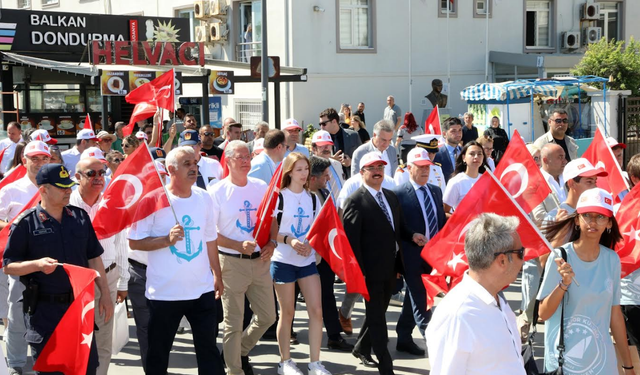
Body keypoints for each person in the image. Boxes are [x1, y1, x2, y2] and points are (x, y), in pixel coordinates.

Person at [3, 163, 114, 374]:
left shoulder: (79, 218)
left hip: (79, 310)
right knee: (51, 371)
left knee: (85, 369)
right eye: (62, 187)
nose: (68, 191)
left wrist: (105, 295)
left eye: (69, 186)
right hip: (45, 314)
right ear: (43, 189)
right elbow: (9, 266)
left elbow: (94, 258)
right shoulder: (26, 223)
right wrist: (36, 265)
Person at [128, 146, 224, 374]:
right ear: (170, 169)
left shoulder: (203, 197)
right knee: (158, 354)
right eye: (187, 164)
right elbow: (134, 242)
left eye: (195, 163)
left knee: (209, 352)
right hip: (165, 294)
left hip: (201, 291)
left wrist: (217, 274)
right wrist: (166, 240)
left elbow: (210, 239)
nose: (194, 168)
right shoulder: (152, 200)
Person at [342, 152, 426, 375]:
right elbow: (351, 244)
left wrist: (412, 235)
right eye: (372, 167)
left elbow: (398, 227)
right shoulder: (355, 201)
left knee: (377, 312)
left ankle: (361, 347)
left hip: (392, 269)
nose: (378, 171)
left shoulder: (390, 197)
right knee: (379, 319)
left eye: (381, 166)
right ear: (362, 172)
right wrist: (359, 273)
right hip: (369, 272)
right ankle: (385, 363)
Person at [538, 188, 634, 374]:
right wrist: (563, 284)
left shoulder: (612, 259)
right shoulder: (560, 257)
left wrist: (627, 365)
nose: (593, 222)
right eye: (587, 215)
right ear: (576, 220)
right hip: (565, 363)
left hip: (602, 363)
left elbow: (615, 315)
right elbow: (543, 313)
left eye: (600, 217)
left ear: (608, 223)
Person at [518, 158, 606, 342]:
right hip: (563, 303)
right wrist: (561, 230)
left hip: (593, 302)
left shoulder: (599, 217)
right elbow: (544, 262)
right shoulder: (554, 218)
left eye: (596, 181)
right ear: (572, 183)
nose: (595, 186)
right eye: (589, 181)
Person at [426, 213, 525, 374]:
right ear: (502, 260)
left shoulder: (497, 299)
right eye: (520, 252)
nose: (524, 259)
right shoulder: (458, 315)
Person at [209, 140, 277, 375]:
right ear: (227, 160)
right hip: (231, 263)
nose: (246, 161)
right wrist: (238, 244)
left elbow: (273, 219)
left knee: (268, 316)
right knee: (233, 322)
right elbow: (210, 234)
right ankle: (234, 370)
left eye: (248, 156)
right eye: (240, 157)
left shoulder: (260, 186)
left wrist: (272, 242)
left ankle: (239, 351)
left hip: (260, 262)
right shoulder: (217, 191)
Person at [270, 152, 331, 375]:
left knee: (316, 310)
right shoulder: (279, 197)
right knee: (287, 313)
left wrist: (310, 245)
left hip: (306, 261)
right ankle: (285, 361)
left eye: (306, 169)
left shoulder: (313, 197)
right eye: (299, 170)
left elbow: (316, 229)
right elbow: (271, 231)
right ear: (289, 172)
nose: (304, 174)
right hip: (283, 260)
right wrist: (290, 240)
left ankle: (315, 363)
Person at [70, 157, 129, 375]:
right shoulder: (67, 206)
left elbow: (121, 243)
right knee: (79, 340)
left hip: (109, 276)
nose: (98, 178)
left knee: (103, 340)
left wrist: (123, 279)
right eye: (91, 173)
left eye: (101, 172)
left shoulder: (112, 204)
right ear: (77, 177)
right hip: (77, 282)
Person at [0, 141, 50, 375]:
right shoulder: (11, 189)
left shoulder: (56, 186)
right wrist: (17, 228)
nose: (39, 163)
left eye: (44, 158)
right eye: (35, 158)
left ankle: (49, 360)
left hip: (51, 263)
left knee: (50, 314)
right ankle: (17, 363)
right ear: (24, 160)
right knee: (17, 314)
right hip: (20, 263)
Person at [393, 147, 446, 356]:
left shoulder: (435, 190)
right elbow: (397, 226)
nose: (426, 171)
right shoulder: (398, 194)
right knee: (422, 300)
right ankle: (436, 345)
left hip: (433, 254)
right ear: (409, 168)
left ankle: (403, 336)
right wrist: (411, 235)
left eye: (428, 167)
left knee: (413, 298)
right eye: (421, 168)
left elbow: (440, 222)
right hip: (411, 255)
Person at [307, 156, 354, 352]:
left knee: (327, 295)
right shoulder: (298, 196)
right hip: (300, 255)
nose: (328, 179)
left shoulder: (325, 192)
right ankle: (288, 332)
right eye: (325, 175)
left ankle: (333, 335)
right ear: (312, 177)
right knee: (291, 298)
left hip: (324, 254)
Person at [442, 141, 487, 213]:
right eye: (472, 154)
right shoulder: (456, 182)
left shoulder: (488, 180)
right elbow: (445, 211)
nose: (476, 157)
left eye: (479, 154)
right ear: (463, 158)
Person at [318, 108, 361, 178]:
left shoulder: (353, 136)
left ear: (334, 121)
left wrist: (350, 162)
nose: (321, 127)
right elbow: (315, 161)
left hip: (350, 178)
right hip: (330, 180)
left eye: (324, 124)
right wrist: (331, 161)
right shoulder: (320, 139)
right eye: (320, 124)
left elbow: (362, 157)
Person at [532, 143, 568, 225]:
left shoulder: (569, 179)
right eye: (560, 157)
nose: (565, 161)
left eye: (564, 157)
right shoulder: (534, 184)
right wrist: (555, 220)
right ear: (545, 160)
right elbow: (538, 217)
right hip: (552, 235)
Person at [310, 130, 345, 204]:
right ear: (313, 148)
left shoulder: (337, 164)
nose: (326, 148)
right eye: (322, 145)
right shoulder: (309, 166)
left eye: (329, 144)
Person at [433, 117, 463, 183]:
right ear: (444, 134)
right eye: (453, 131)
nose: (458, 134)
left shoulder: (465, 152)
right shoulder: (437, 154)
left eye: (460, 130)